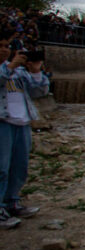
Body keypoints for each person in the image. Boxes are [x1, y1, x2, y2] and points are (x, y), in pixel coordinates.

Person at [0, 37, 49, 228]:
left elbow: (39, 91)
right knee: (1, 168)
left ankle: (12, 202)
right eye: (1, 47)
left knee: (19, 166)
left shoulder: (19, 72)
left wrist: (36, 71)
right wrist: (11, 65)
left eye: (7, 47)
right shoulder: (10, 68)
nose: (5, 50)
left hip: (22, 122)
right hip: (3, 122)